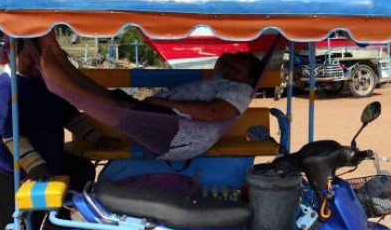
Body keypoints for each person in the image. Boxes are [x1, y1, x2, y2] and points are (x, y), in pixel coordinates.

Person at [34, 32, 264, 160]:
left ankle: (60, 84)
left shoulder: (240, 90)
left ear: (250, 80)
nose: (231, 68)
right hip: (170, 123)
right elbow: (223, 59)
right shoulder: (223, 79)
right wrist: (234, 59)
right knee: (115, 98)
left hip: (179, 135)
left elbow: (215, 113)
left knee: (119, 106)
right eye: (231, 65)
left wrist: (163, 101)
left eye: (239, 69)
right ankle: (66, 68)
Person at [0, 37, 106, 230]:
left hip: (50, 160)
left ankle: (62, 225)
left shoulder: (44, 85)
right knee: (14, 226)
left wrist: (99, 139)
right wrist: (35, 166)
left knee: (83, 169)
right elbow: (9, 135)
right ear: (22, 54)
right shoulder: (5, 87)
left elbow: (68, 115)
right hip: (11, 171)